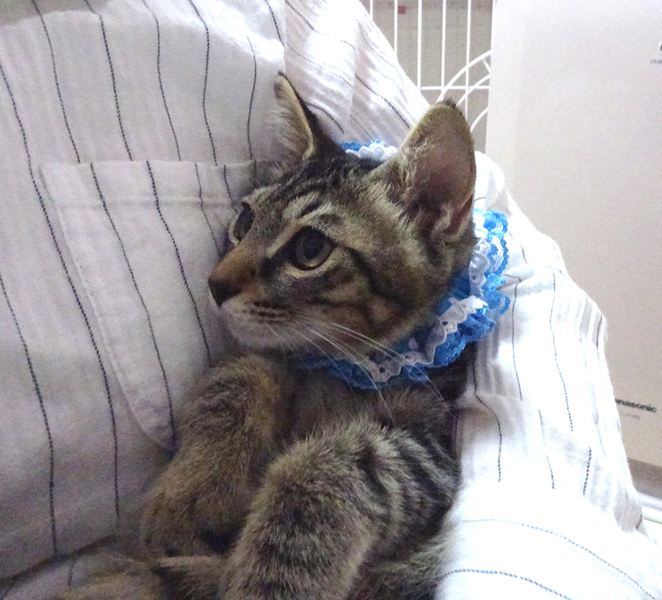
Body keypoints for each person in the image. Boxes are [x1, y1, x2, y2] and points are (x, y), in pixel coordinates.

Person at [0, 1, 660, 598]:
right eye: (245, 228)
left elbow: (451, 457)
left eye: (309, 248)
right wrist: (235, 403)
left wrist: (325, 495)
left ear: (432, 213)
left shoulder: (441, 327)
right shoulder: (294, 347)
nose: (225, 276)